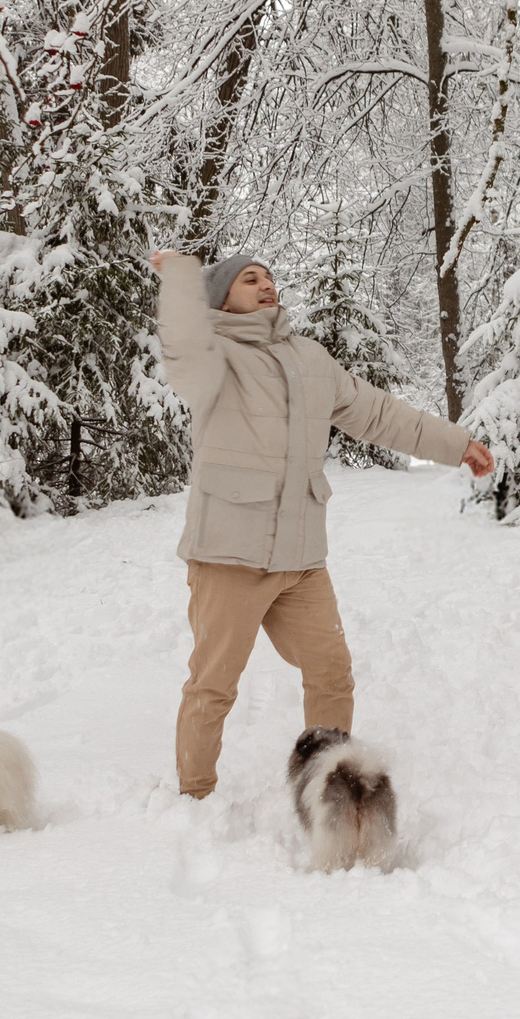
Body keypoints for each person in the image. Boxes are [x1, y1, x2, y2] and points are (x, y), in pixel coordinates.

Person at [150, 248, 496, 799]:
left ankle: (328, 784)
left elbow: (379, 413)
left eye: (268, 276)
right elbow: (183, 340)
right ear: (220, 298)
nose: (265, 285)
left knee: (332, 672)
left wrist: (457, 445)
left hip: (301, 558)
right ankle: (194, 795)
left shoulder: (309, 359)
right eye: (248, 279)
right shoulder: (213, 359)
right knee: (214, 684)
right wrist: (182, 279)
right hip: (229, 555)